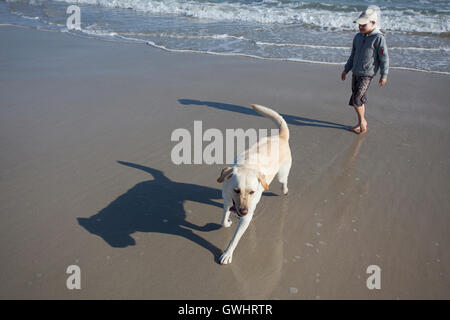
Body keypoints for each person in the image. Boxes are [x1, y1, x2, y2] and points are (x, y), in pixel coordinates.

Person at [341, 7, 389, 134]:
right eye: (359, 25)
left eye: (363, 25)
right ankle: (360, 122)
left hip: (367, 74)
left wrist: (384, 75)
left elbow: (384, 58)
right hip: (355, 72)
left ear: (373, 23)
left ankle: (362, 122)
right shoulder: (357, 37)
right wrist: (346, 69)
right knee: (359, 99)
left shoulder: (378, 38)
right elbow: (353, 55)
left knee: (356, 99)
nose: (360, 27)